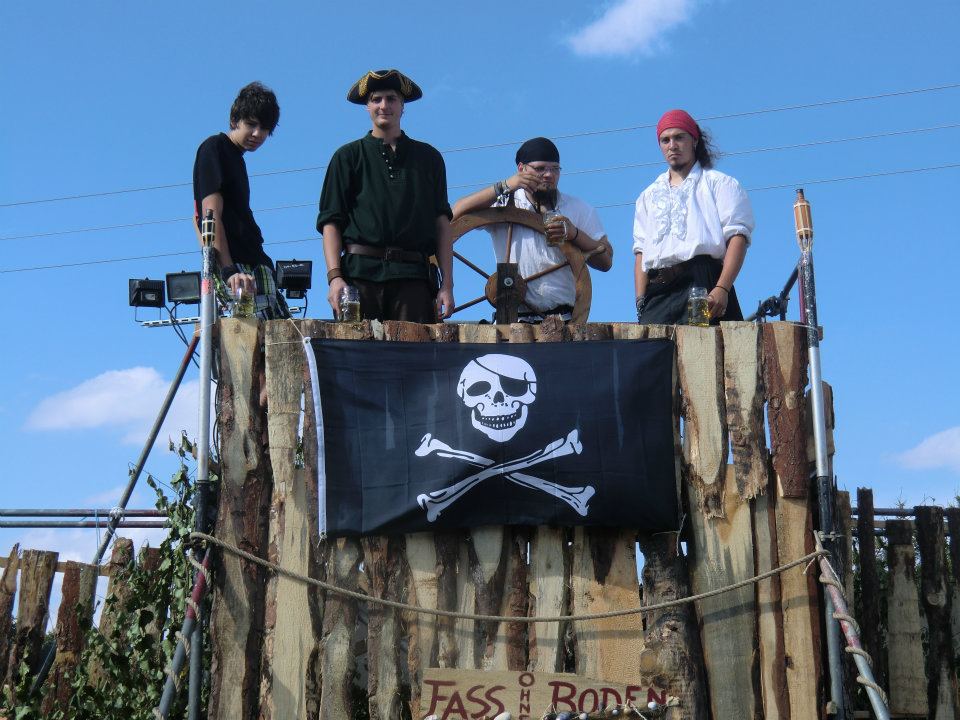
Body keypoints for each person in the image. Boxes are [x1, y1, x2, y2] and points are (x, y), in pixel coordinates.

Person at [317, 69, 454, 323]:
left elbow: (442, 224)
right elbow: (331, 222)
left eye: (391, 98)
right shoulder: (347, 157)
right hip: (359, 278)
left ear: (402, 106)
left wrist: (447, 285)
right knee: (356, 348)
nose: (384, 105)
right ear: (367, 106)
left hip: (413, 279)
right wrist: (335, 277)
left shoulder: (429, 159)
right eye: (376, 99)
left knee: (414, 348)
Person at [452, 137, 611, 322]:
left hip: (563, 322)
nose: (549, 175)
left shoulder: (578, 209)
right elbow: (456, 213)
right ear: (521, 169)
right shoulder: (503, 204)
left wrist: (574, 234)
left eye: (555, 169)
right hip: (512, 323)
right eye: (540, 168)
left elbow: (605, 261)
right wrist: (504, 186)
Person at [633, 109, 754, 325]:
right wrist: (641, 302)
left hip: (702, 284)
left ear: (694, 140)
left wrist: (722, 287)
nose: (672, 145)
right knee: (653, 347)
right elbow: (641, 251)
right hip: (657, 292)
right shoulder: (648, 196)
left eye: (679, 137)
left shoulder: (719, 183)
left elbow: (738, 236)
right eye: (665, 140)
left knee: (707, 346)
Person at [192, 81, 289, 319]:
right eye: (251, 124)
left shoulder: (237, 158)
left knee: (285, 335)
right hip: (237, 269)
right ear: (235, 120)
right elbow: (209, 216)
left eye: (264, 128)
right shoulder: (215, 148)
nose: (257, 134)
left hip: (254, 263)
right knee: (250, 336)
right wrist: (228, 270)